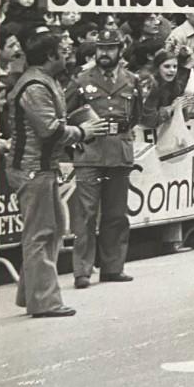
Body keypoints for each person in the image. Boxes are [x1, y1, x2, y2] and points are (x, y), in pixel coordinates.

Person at [6, 32, 108, 318]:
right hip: (32, 168)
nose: (67, 55)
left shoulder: (41, 81)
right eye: (62, 51)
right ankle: (45, 301)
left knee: (49, 230)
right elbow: (49, 129)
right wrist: (83, 131)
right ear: (50, 55)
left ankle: (33, 295)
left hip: (39, 166)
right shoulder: (35, 86)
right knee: (42, 233)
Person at [65, 28, 145, 290]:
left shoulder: (131, 80)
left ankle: (112, 267)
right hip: (89, 153)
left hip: (118, 152)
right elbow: (67, 115)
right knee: (86, 215)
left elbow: (135, 115)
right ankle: (82, 271)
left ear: (120, 51)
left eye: (110, 48)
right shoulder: (81, 81)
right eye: (101, 48)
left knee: (115, 214)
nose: (104, 53)